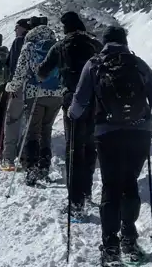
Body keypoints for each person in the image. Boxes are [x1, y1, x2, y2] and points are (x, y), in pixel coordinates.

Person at [70, 26, 152, 266]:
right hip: (140, 130)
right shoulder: (138, 64)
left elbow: (80, 102)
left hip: (107, 131)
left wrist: (73, 115)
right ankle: (130, 241)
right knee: (130, 182)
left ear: (104, 43)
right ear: (125, 41)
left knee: (111, 185)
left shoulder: (94, 64)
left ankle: (111, 247)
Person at [37, 11, 102, 214]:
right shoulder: (93, 43)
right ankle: (87, 191)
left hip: (71, 100)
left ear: (66, 27)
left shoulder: (61, 45)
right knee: (90, 145)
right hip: (94, 100)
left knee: (73, 147)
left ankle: (75, 201)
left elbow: (42, 71)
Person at [6, 16, 63, 186]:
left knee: (33, 131)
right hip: (56, 93)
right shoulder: (56, 44)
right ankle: (44, 167)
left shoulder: (29, 45)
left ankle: (31, 169)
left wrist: (11, 86)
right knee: (46, 130)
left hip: (35, 93)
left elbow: (20, 71)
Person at [0, 18, 31, 171]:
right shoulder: (37, 41)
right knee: (31, 123)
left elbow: (12, 65)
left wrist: (12, 85)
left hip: (19, 87)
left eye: (16, 27)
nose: (15, 30)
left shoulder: (19, 41)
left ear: (22, 28)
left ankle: (9, 158)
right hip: (36, 88)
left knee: (12, 120)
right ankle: (27, 157)